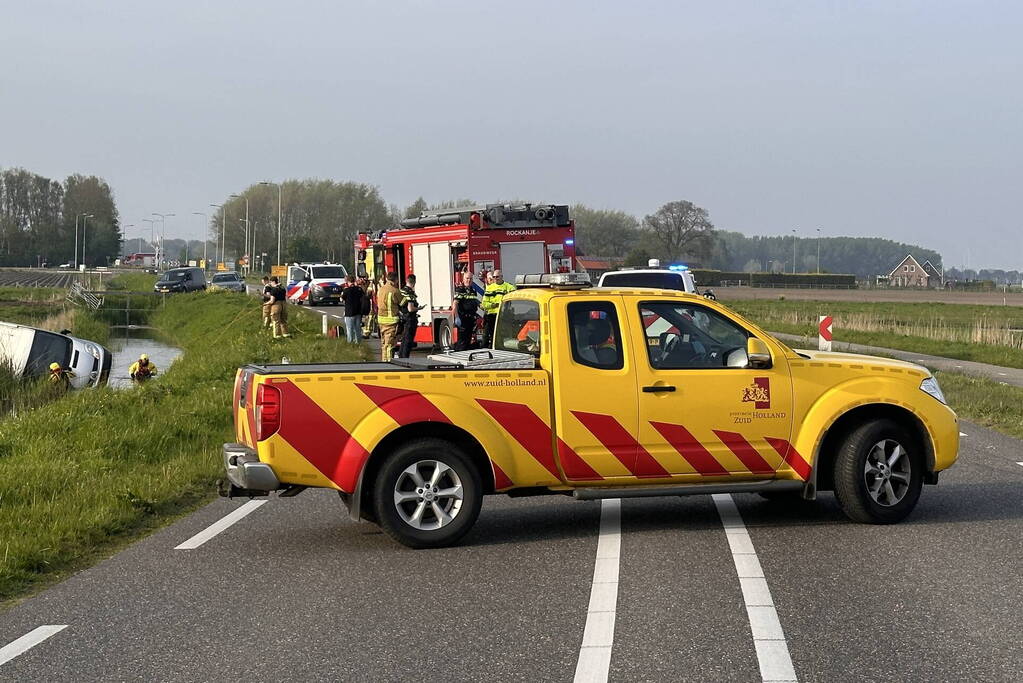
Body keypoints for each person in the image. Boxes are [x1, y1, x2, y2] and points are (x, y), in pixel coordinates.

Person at [480, 269, 515, 349]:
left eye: (497, 277)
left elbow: (514, 295)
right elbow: (484, 303)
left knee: (499, 338)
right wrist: (492, 305)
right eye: (494, 277)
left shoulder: (508, 286)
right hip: (491, 316)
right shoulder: (490, 288)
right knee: (486, 337)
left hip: (502, 316)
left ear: (502, 277)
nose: (495, 278)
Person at [376, 271, 401, 360]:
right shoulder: (394, 291)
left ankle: (384, 361)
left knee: (384, 344)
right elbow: (402, 303)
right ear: (395, 280)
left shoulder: (380, 289)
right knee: (389, 345)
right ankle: (388, 363)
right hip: (391, 321)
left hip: (381, 320)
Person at [453, 270, 480, 351]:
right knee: (462, 342)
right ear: (463, 279)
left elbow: (475, 302)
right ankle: (459, 359)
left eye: (470, 279)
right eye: (467, 278)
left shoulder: (473, 291)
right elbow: (455, 305)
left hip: (471, 319)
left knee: (468, 341)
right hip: (463, 319)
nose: (469, 280)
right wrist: (457, 317)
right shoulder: (460, 290)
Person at [397, 273, 420, 358]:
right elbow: (410, 309)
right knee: (408, 340)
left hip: (403, 317)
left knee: (404, 339)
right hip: (410, 318)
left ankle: (401, 357)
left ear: (406, 281)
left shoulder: (401, 291)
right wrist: (418, 309)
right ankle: (405, 358)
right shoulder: (410, 293)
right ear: (414, 282)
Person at [340, 275, 364, 344]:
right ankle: (358, 343)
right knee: (358, 330)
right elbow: (363, 297)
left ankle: (350, 344)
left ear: (347, 282)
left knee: (349, 329)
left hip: (349, 313)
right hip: (358, 312)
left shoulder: (346, 290)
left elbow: (342, 299)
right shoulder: (359, 289)